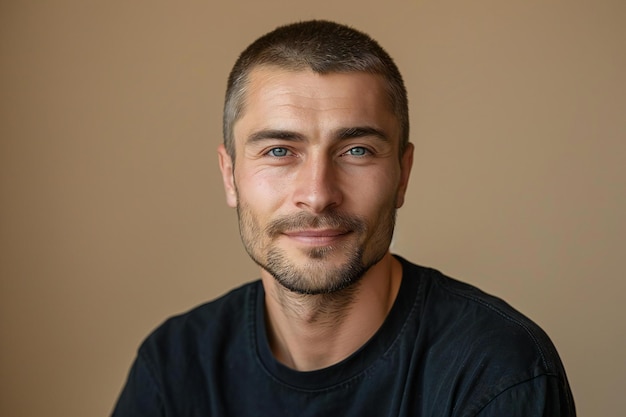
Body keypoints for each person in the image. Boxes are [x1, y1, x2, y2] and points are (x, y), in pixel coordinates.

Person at [112, 20, 576, 416]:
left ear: (402, 174)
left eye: (357, 150)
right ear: (230, 176)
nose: (317, 195)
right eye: (279, 151)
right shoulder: (174, 368)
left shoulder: (498, 372)